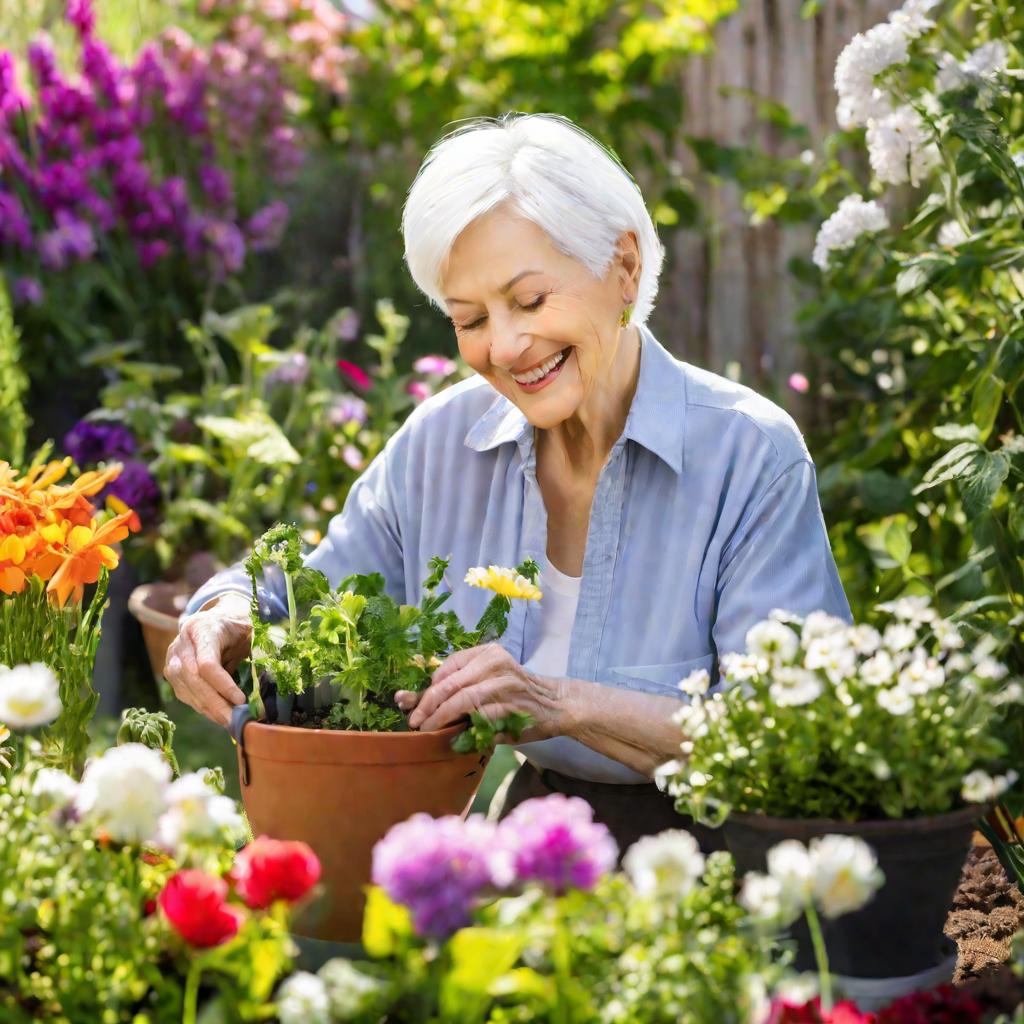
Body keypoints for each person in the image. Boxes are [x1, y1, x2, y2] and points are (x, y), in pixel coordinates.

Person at [165, 112, 850, 852]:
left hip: (729, 854)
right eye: (470, 319)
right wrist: (225, 612)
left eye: (529, 301)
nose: (506, 347)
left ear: (625, 267)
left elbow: (790, 737)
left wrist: (561, 704)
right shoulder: (442, 444)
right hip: (534, 839)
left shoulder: (749, 454)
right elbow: (305, 588)